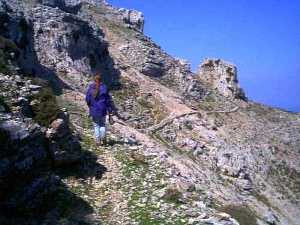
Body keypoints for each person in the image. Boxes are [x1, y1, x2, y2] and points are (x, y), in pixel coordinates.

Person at [85, 74, 116, 145]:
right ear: (101, 80)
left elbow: (87, 99)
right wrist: (110, 110)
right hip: (102, 109)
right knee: (102, 124)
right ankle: (103, 139)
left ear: (94, 80)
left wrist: (90, 105)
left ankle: (97, 141)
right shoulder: (104, 88)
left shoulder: (91, 88)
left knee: (96, 125)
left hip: (93, 109)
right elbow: (108, 100)